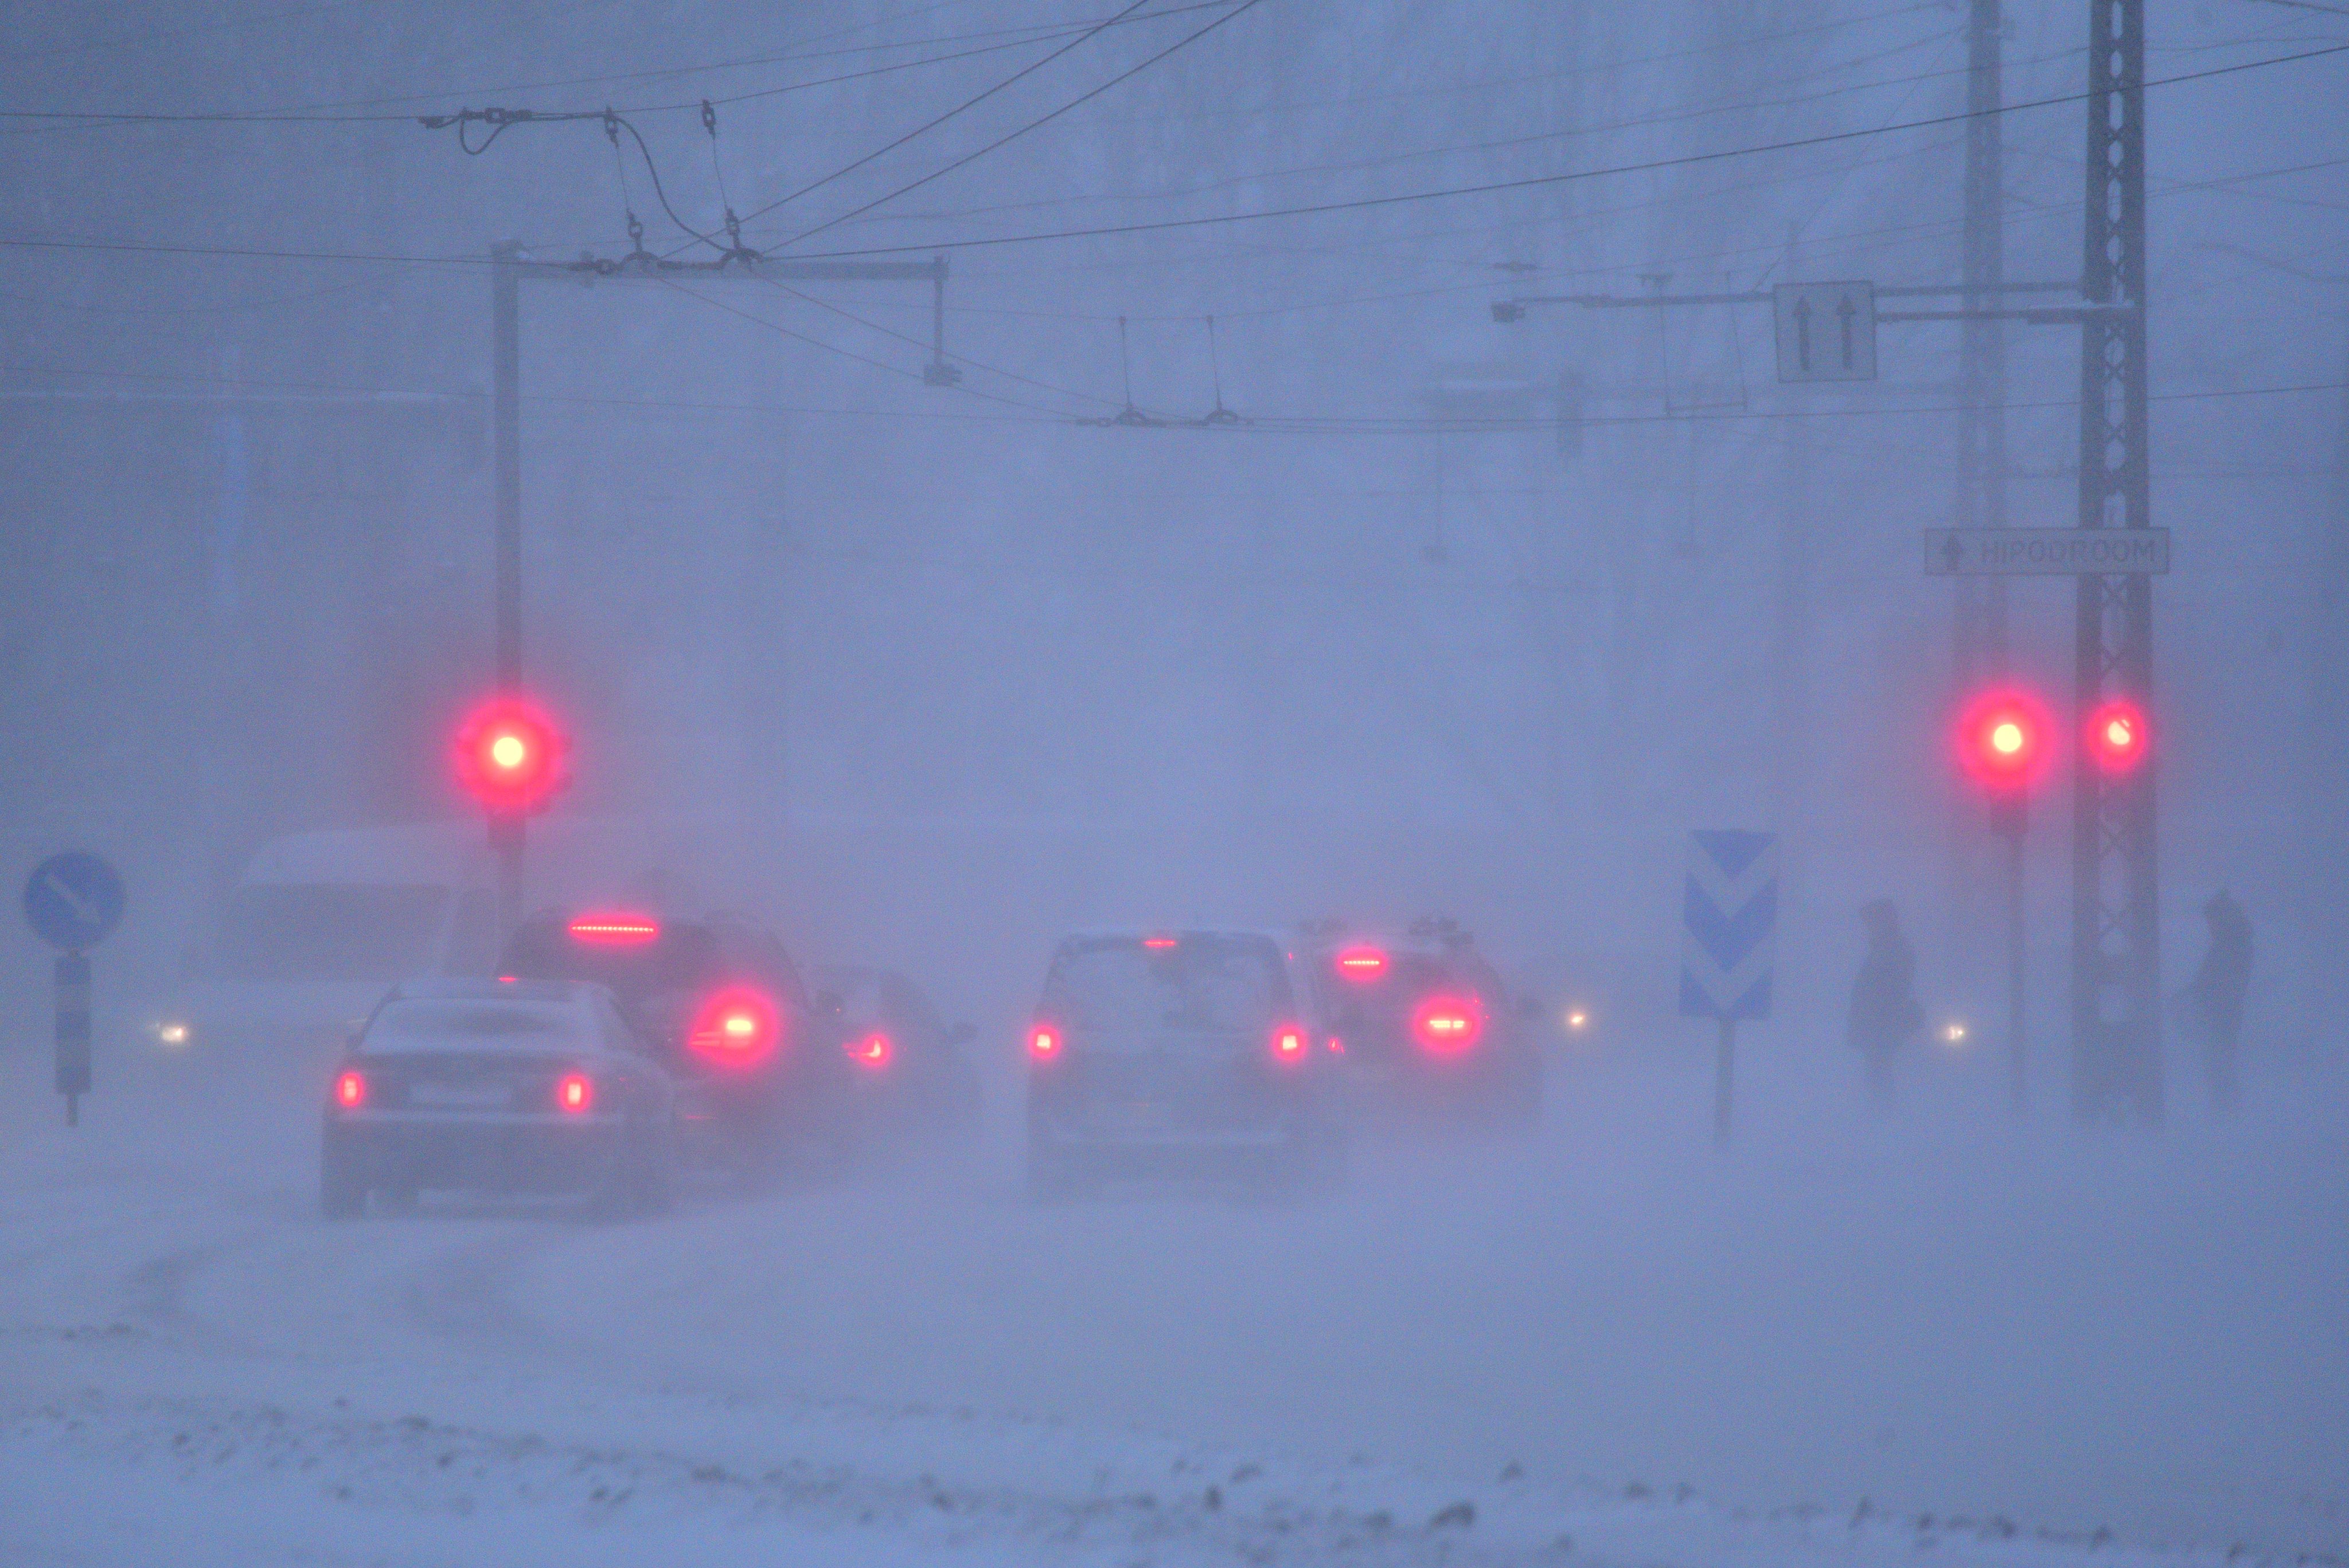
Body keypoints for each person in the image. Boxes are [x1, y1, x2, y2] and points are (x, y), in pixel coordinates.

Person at [2179, 891, 2253, 1114]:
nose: (2210, 928)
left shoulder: (2230, 947)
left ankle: (2226, 1115)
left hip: (2222, 1015)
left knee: (2219, 1065)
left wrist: (2198, 997)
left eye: (2212, 921)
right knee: (2219, 1065)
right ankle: (2226, 1113)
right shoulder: (2233, 943)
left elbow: (2219, 982)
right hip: (2221, 1014)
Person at [1847, 899, 1921, 1111]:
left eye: (1872, 922)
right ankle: (1883, 1120)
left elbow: (1887, 991)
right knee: (1879, 1076)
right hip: (1879, 1026)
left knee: (1880, 1078)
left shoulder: (1891, 951)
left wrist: (1870, 1017)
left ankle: (1884, 1123)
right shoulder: (1886, 949)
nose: (1868, 928)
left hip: (1882, 1026)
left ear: (1885, 922)